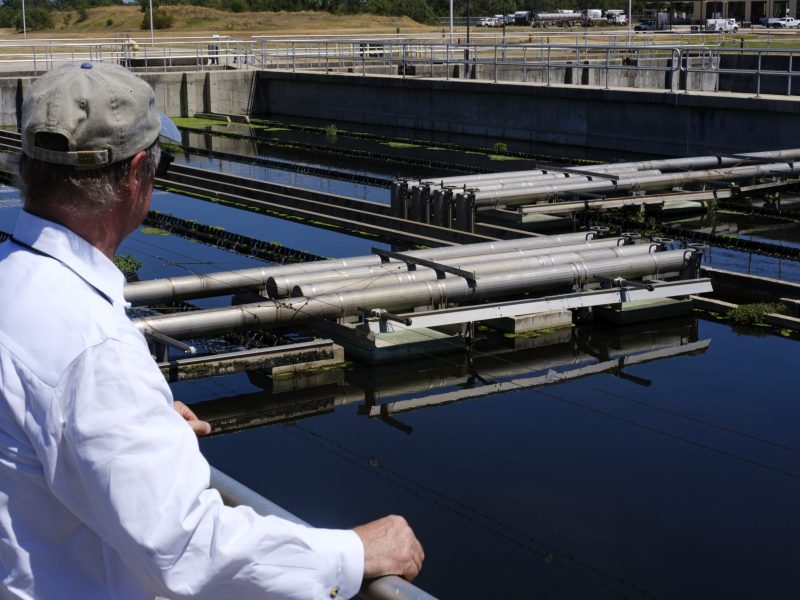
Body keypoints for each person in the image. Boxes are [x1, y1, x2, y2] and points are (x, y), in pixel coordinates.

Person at [0, 62, 424, 599]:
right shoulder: (94, 349)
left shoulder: (12, 278)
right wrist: (351, 553)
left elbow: (39, 432)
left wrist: (136, 424)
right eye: (162, 164)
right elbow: (184, 549)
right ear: (135, 175)